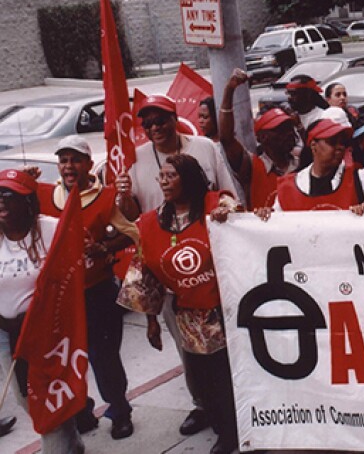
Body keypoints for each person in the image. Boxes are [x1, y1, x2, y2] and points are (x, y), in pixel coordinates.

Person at [115, 93, 238, 437]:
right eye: (147, 123)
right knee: (194, 359)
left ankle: (238, 414)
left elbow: (229, 196)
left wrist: (227, 210)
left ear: (174, 117)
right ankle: (207, 409)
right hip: (175, 283)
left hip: (217, 280)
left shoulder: (204, 148)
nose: (154, 127)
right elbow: (130, 221)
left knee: (230, 359)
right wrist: (123, 196)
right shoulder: (136, 159)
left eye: (160, 120)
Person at [34, 136, 139, 439]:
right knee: (67, 358)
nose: (69, 166)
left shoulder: (104, 197)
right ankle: (81, 409)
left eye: (75, 160)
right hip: (60, 297)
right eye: (64, 160)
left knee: (104, 356)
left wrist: (105, 248)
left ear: (89, 165)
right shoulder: (45, 196)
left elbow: (131, 232)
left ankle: (119, 410)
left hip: (97, 292)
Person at [0, 169, 84, 454]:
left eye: (8, 196)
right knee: (28, 400)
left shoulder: (51, 230)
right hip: (9, 337)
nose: (0, 202)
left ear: (27, 201)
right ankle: (72, 442)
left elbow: (70, 275)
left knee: (46, 406)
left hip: (49, 335)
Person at [218, 70, 303, 210]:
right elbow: (226, 139)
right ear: (262, 138)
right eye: (279, 130)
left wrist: (299, 126)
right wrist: (229, 90)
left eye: (289, 128)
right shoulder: (251, 166)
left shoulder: (301, 163)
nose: (287, 134)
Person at [267, 118, 364, 214]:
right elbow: (277, 228)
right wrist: (264, 217)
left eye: (342, 142)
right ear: (313, 146)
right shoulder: (288, 188)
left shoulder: (361, 179)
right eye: (332, 142)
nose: (340, 147)